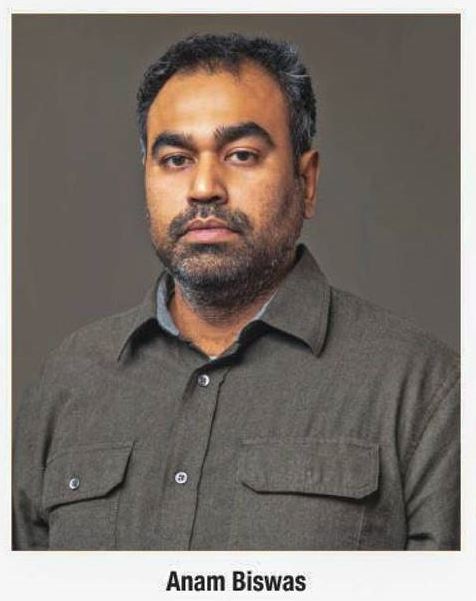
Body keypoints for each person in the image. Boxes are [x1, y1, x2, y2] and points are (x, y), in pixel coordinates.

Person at [12, 33, 459, 551]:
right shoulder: (67, 384)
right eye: (176, 159)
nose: (204, 187)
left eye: (241, 155)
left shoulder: (427, 391)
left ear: (307, 182)